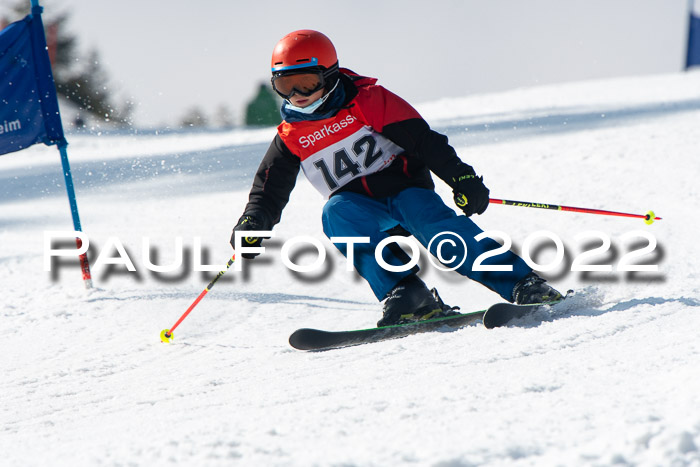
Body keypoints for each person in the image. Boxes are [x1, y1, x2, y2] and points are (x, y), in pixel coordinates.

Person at [231, 30, 563, 326]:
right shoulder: (291, 135)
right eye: (285, 85)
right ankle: (406, 294)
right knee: (335, 212)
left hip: (405, 190)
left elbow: (424, 141)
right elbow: (269, 188)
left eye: (306, 82)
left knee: (439, 229)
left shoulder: (367, 100)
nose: (297, 94)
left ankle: (523, 283)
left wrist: (462, 178)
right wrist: (254, 221)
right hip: (361, 207)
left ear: (329, 75)